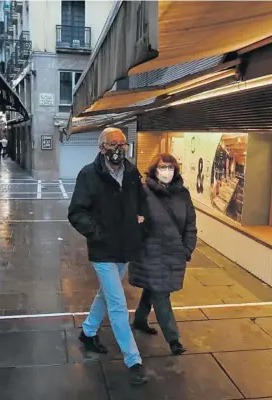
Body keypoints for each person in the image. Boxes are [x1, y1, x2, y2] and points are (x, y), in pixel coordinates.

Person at [68, 127, 148, 385]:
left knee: (106, 293)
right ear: (101, 147)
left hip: (125, 247)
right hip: (103, 249)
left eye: (122, 144)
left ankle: (88, 331)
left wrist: (141, 223)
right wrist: (97, 233)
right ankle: (133, 359)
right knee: (117, 302)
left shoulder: (133, 173)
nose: (118, 149)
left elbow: (141, 202)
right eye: (113, 144)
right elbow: (76, 212)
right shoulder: (88, 175)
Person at [129, 153, 197, 356]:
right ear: (154, 170)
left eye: (170, 168)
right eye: (162, 167)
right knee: (161, 294)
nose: (166, 171)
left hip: (175, 253)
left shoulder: (183, 194)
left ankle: (140, 320)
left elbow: (191, 225)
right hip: (151, 253)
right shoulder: (143, 192)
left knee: (154, 288)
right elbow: (134, 220)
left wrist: (187, 249)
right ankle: (173, 339)